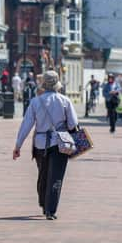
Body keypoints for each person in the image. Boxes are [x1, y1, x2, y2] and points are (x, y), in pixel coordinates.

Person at [12, 71, 78, 220]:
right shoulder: (65, 101)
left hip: (40, 143)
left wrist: (18, 145)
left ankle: (43, 203)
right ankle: (51, 210)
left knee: (43, 174)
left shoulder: (36, 102)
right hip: (60, 143)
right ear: (57, 85)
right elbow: (73, 124)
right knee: (56, 177)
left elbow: (26, 125)